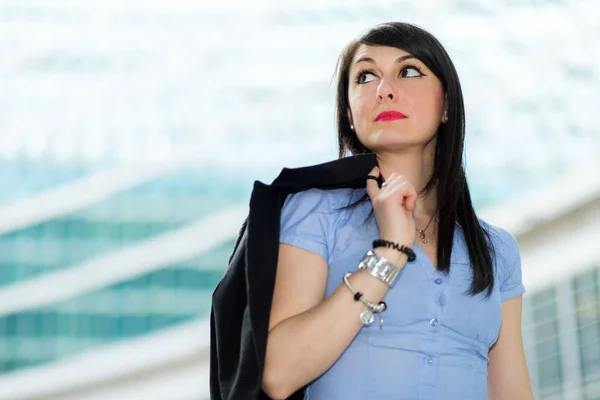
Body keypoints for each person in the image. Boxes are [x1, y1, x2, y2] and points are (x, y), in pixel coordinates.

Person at [210, 22, 534, 400]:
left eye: (408, 71)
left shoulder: (497, 249)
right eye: (365, 77)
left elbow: (512, 391)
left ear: (447, 104)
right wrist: (389, 253)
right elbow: (278, 375)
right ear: (349, 113)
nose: (385, 90)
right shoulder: (313, 211)